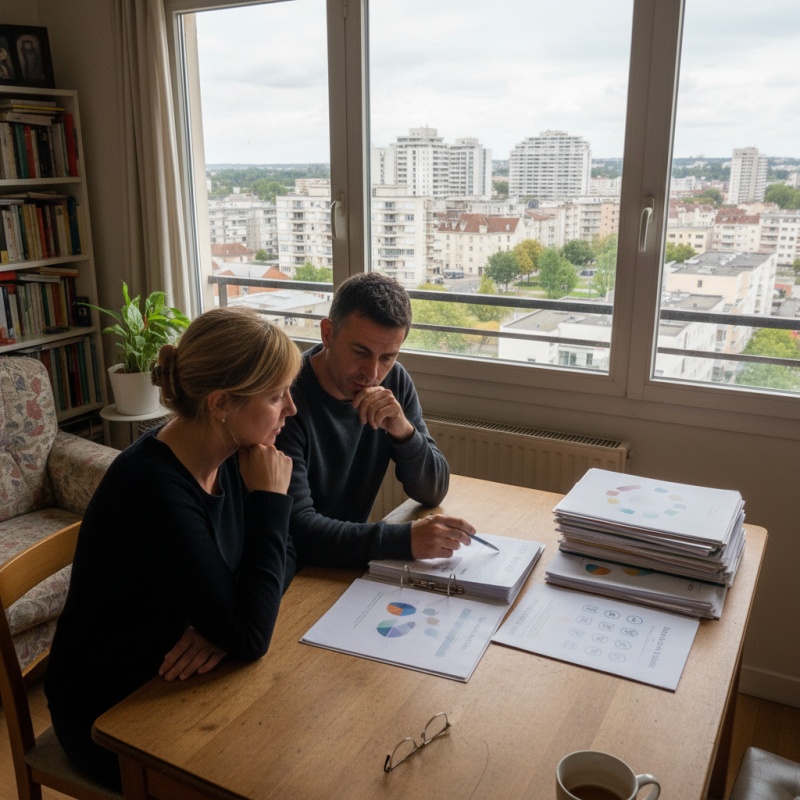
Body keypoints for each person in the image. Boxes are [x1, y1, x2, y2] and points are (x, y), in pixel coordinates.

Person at [45, 306, 301, 790]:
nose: (291, 409)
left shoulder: (231, 453)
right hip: (112, 714)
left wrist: (220, 626)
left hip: (180, 679)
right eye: (276, 395)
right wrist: (271, 503)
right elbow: (251, 636)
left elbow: (291, 550)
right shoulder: (153, 490)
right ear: (221, 403)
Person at [276, 272, 476, 569]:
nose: (372, 373)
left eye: (387, 358)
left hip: (349, 562)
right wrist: (404, 540)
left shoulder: (395, 382)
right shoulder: (285, 401)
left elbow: (432, 491)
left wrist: (403, 431)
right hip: (299, 571)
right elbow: (297, 531)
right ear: (327, 334)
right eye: (360, 352)